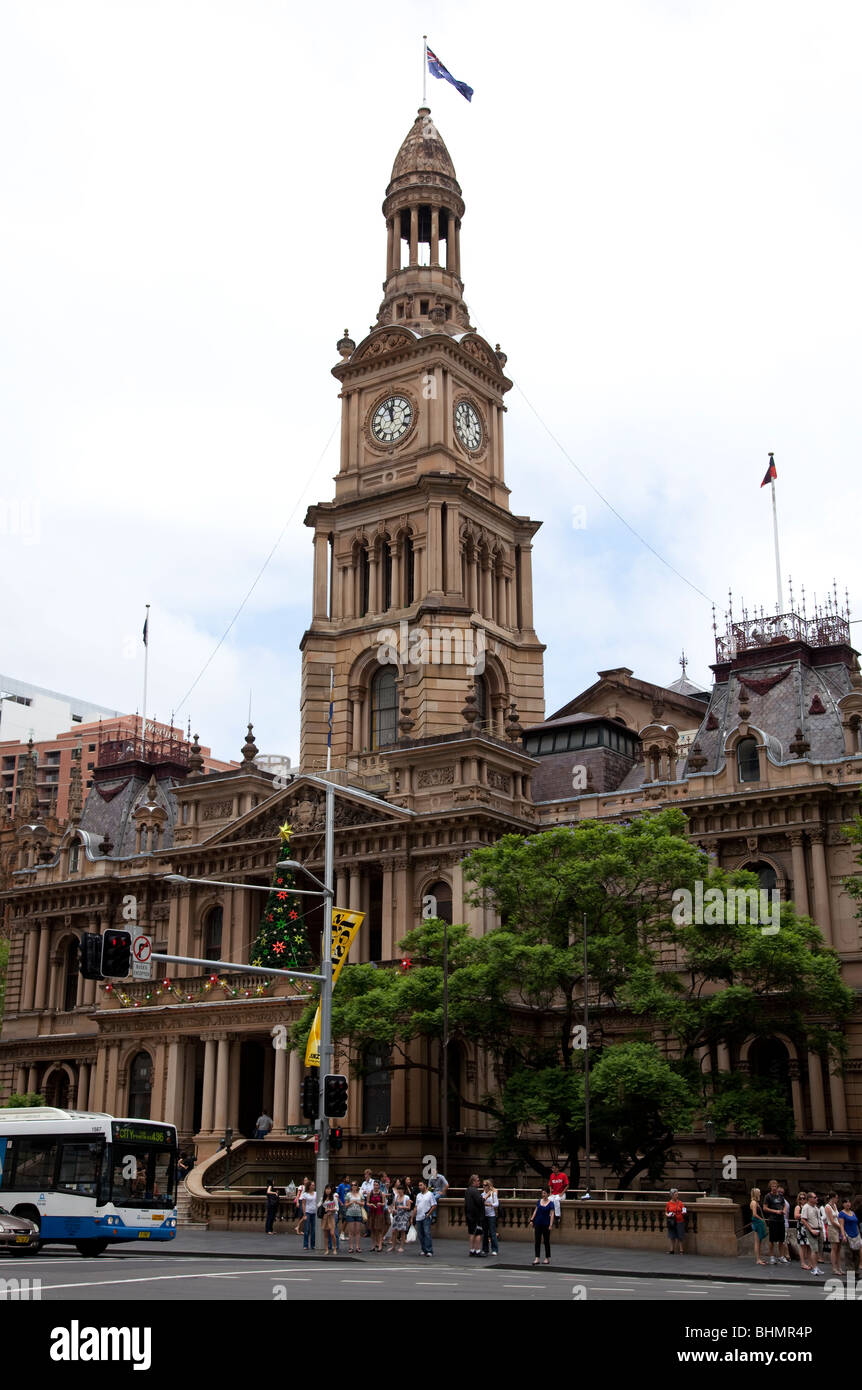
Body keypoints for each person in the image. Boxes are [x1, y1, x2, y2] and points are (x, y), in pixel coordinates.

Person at [763, 1180, 789, 1264]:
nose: (774, 1188)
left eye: (775, 1186)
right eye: (772, 1186)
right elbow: (765, 1208)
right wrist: (775, 1211)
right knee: (772, 1240)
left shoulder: (781, 1196)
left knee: (781, 1239)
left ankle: (781, 1256)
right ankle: (772, 1256)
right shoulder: (768, 1196)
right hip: (773, 1219)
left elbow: (784, 1205)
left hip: (781, 1220)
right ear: (770, 1187)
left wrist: (784, 1210)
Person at [530, 1188, 554, 1265]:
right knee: (537, 1241)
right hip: (538, 1223)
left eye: (544, 1193)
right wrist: (532, 1219)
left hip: (546, 1224)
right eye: (542, 1193)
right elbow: (535, 1211)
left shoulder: (551, 1203)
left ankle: (547, 1258)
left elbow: (552, 1215)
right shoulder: (539, 1202)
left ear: (548, 1194)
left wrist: (550, 1224)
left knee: (546, 1241)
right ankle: (537, 1258)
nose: (543, 1195)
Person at [413, 1178, 436, 1257]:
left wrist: (429, 1214)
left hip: (426, 1216)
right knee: (420, 1234)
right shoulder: (418, 1195)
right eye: (419, 1185)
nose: (419, 1187)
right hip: (418, 1217)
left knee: (427, 1233)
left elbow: (434, 1205)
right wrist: (413, 1216)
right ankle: (423, 1249)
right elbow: (416, 1206)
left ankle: (429, 1250)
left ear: (425, 1186)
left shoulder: (430, 1194)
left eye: (421, 1185)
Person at [838, 1198, 861, 1273]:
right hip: (848, 1236)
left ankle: (856, 1271)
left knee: (857, 1255)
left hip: (856, 1235)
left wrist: (859, 1235)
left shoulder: (853, 1212)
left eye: (849, 1202)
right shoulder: (841, 1213)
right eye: (846, 1202)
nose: (848, 1204)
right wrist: (843, 1235)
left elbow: (856, 1224)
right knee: (849, 1255)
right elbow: (841, 1225)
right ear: (843, 1204)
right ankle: (850, 1274)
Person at [465, 1174, 486, 1257]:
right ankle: (477, 1251)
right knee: (478, 1233)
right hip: (476, 1216)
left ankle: (471, 1250)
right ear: (473, 1181)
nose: (479, 1182)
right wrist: (485, 1197)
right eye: (478, 1180)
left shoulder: (467, 1190)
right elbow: (479, 1202)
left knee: (471, 1233)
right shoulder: (475, 1191)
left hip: (469, 1215)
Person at [390, 1181, 412, 1254]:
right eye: (398, 1189)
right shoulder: (396, 1196)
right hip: (397, 1215)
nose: (399, 1191)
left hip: (403, 1215)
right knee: (394, 1231)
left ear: (403, 1190)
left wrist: (403, 1207)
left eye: (400, 1190)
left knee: (402, 1231)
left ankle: (401, 1247)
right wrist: (393, 1210)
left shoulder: (406, 1197)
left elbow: (409, 1207)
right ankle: (393, 1246)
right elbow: (394, 1205)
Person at [343, 1182, 366, 1254]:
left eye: (355, 1185)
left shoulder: (360, 1194)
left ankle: (357, 1247)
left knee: (358, 1231)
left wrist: (357, 1202)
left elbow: (363, 1204)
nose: (353, 1186)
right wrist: (351, 1202)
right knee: (351, 1231)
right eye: (352, 1185)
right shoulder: (348, 1194)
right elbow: (345, 1205)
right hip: (350, 1214)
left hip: (358, 1213)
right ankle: (350, 1247)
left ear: (357, 1186)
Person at [824, 1192, 843, 1276]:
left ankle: (839, 1267)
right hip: (832, 1227)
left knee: (838, 1249)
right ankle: (834, 1268)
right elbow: (831, 1220)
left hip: (838, 1227)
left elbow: (838, 1217)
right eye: (836, 1198)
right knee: (834, 1248)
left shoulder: (835, 1206)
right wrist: (841, 1226)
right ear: (832, 1198)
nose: (837, 1199)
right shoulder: (827, 1207)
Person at [367, 1179, 387, 1252]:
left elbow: (384, 1203)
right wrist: (371, 1204)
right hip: (372, 1213)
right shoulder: (370, 1193)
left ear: (379, 1186)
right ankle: (373, 1245)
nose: (375, 1186)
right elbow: (367, 1203)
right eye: (374, 1185)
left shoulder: (382, 1193)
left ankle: (380, 1245)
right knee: (372, 1230)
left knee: (379, 1230)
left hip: (379, 1213)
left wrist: (380, 1204)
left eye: (377, 1185)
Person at [749, 1187, 768, 1266]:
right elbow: (754, 1214)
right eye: (759, 1192)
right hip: (757, 1222)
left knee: (759, 1241)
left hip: (759, 1222)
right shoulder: (753, 1202)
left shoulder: (756, 1202)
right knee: (757, 1242)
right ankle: (757, 1259)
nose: (760, 1193)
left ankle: (759, 1258)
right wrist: (762, 1220)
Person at [666, 1189, 687, 1256]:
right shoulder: (668, 1203)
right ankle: (671, 1250)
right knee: (672, 1236)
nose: (677, 1196)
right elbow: (666, 1211)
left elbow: (683, 1209)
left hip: (680, 1220)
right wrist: (668, 1215)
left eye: (677, 1194)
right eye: (675, 1195)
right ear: (672, 1195)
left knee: (680, 1236)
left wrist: (684, 1212)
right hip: (672, 1221)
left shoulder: (680, 1202)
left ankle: (681, 1250)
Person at [320, 1184, 339, 1254]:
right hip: (325, 1217)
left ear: (331, 1190)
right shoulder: (323, 1198)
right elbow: (319, 1205)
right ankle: (326, 1249)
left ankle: (334, 1248)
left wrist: (331, 1209)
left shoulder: (334, 1198)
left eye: (329, 1189)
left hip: (332, 1216)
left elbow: (337, 1208)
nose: (328, 1190)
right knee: (325, 1234)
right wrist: (324, 1208)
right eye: (326, 1189)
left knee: (332, 1233)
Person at [482, 1178, 499, 1256]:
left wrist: (490, 1204)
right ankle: (485, 1249)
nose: (484, 1186)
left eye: (485, 1185)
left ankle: (494, 1249)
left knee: (492, 1233)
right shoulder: (482, 1195)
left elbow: (497, 1204)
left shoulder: (493, 1194)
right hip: (484, 1215)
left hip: (491, 1215)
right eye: (483, 1185)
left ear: (489, 1186)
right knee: (485, 1233)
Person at [301, 1179, 317, 1250]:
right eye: (312, 1185)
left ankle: (313, 1245)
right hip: (307, 1212)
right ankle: (305, 1245)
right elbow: (303, 1204)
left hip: (314, 1213)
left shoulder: (316, 1193)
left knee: (313, 1230)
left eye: (314, 1185)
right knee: (307, 1229)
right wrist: (304, 1214)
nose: (314, 1186)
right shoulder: (305, 1194)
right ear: (309, 1186)